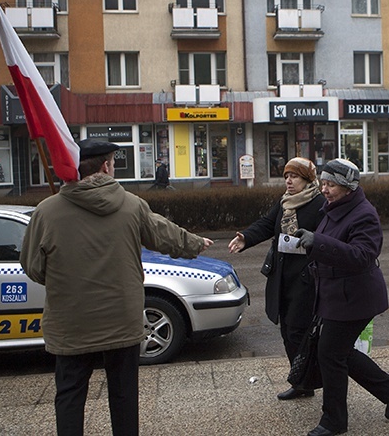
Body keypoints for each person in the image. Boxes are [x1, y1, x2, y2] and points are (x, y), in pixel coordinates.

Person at [20, 139, 213, 436]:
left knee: (70, 394)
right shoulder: (131, 205)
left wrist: (65, 280)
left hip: (71, 322)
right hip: (121, 319)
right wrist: (196, 243)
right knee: (123, 394)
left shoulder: (46, 211)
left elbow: (32, 266)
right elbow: (163, 233)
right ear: (106, 166)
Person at [293, 158, 389, 436]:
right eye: (323, 182)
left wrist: (317, 242)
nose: (325, 189)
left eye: (331, 184)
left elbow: (362, 256)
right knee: (336, 351)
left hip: (356, 297)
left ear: (347, 187)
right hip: (335, 295)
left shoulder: (363, 213)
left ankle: (333, 421)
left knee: (330, 353)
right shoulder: (334, 207)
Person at [228, 157, 325, 400]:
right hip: (283, 277)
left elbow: (327, 239)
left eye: (295, 177)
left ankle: (308, 379)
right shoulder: (285, 203)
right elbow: (266, 224)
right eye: (286, 176)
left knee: (297, 332)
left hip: (306, 280)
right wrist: (245, 238)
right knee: (287, 331)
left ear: (308, 179)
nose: (289, 181)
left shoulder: (320, 204)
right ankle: (302, 382)